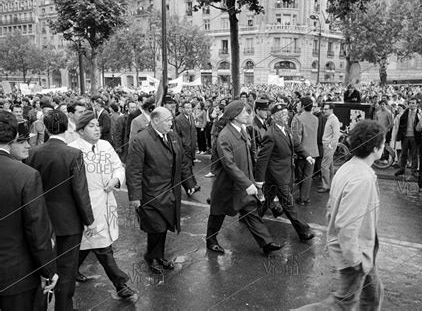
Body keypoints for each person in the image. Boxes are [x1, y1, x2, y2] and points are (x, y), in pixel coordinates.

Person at [294, 120, 385, 311]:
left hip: (361, 250)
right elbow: (347, 224)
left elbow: (330, 209)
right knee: (341, 304)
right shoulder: (363, 178)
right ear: (376, 148)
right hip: (356, 253)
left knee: (373, 294)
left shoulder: (347, 168)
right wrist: (355, 260)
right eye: (383, 144)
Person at [26, 109, 95, 311]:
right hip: (69, 221)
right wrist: (89, 220)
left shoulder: (33, 153)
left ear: (46, 128)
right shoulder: (73, 154)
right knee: (67, 270)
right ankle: (64, 307)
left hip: (41, 220)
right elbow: (80, 190)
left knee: (42, 268)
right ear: (68, 126)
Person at [69, 111, 136, 299]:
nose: (97, 129)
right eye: (91, 126)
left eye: (98, 125)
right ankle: (121, 284)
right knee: (102, 246)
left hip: (106, 203)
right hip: (86, 206)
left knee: (89, 243)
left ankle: (69, 269)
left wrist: (116, 179)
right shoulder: (72, 150)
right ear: (81, 131)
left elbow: (118, 166)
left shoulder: (105, 145)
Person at [206, 101, 285, 255]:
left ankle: (266, 243)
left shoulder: (241, 130)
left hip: (242, 184)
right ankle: (211, 240)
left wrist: (252, 179)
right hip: (226, 186)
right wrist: (247, 183)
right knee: (217, 213)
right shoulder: (225, 136)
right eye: (244, 112)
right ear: (235, 116)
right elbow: (228, 164)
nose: (248, 114)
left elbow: (248, 159)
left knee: (251, 212)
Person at [0, 110, 58, 311]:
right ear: (14, 136)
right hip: (17, 276)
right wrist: (48, 270)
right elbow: (37, 230)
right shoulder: (25, 175)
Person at [126, 107, 196, 273]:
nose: (171, 123)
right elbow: (133, 171)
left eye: (171, 120)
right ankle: (151, 257)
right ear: (155, 120)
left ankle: (159, 256)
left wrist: (190, 184)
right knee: (156, 227)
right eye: (168, 120)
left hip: (170, 192)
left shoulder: (172, 136)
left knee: (164, 226)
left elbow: (182, 161)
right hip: (151, 194)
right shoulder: (140, 140)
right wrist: (135, 197)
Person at [255, 103, 315, 241]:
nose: (286, 116)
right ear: (275, 117)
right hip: (276, 175)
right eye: (282, 114)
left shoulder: (285, 129)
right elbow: (262, 159)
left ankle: (252, 218)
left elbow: (296, 144)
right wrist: (259, 181)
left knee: (267, 200)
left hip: (284, 173)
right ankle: (303, 231)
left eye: (286, 113)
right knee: (289, 204)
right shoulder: (271, 134)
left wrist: (307, 156)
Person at [291, 97, 319, 205]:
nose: (297, 105)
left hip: (302, 152)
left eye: (299, 104)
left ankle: (302, 198)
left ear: (303, 106)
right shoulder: (315, 119)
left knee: (300, 176)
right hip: (313, 150)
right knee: (308, 176)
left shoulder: (298, 118)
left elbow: (296, 137)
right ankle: (305, 197)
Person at [394, 98, 422, 176]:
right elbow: (400, 125)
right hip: (405, 136)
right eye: (410, 103)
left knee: (414, 155)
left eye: (413, 103)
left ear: (417, 104)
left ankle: (414, 170)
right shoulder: (405, 113)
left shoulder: (420, 113)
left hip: (415, 136)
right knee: (404, 154)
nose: (411, 105)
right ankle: (402, 169)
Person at [319, 103, 341, 193]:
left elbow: (336, 135)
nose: (324, 111)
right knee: (330, 166)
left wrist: (331, 146)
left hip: (329, 145)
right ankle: (330, 184)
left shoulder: (334, 119)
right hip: (327, 144)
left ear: (331, 109)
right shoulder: (330, 119)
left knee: (324, 166)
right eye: (324, 109)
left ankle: (325, 186)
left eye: (326, 109)